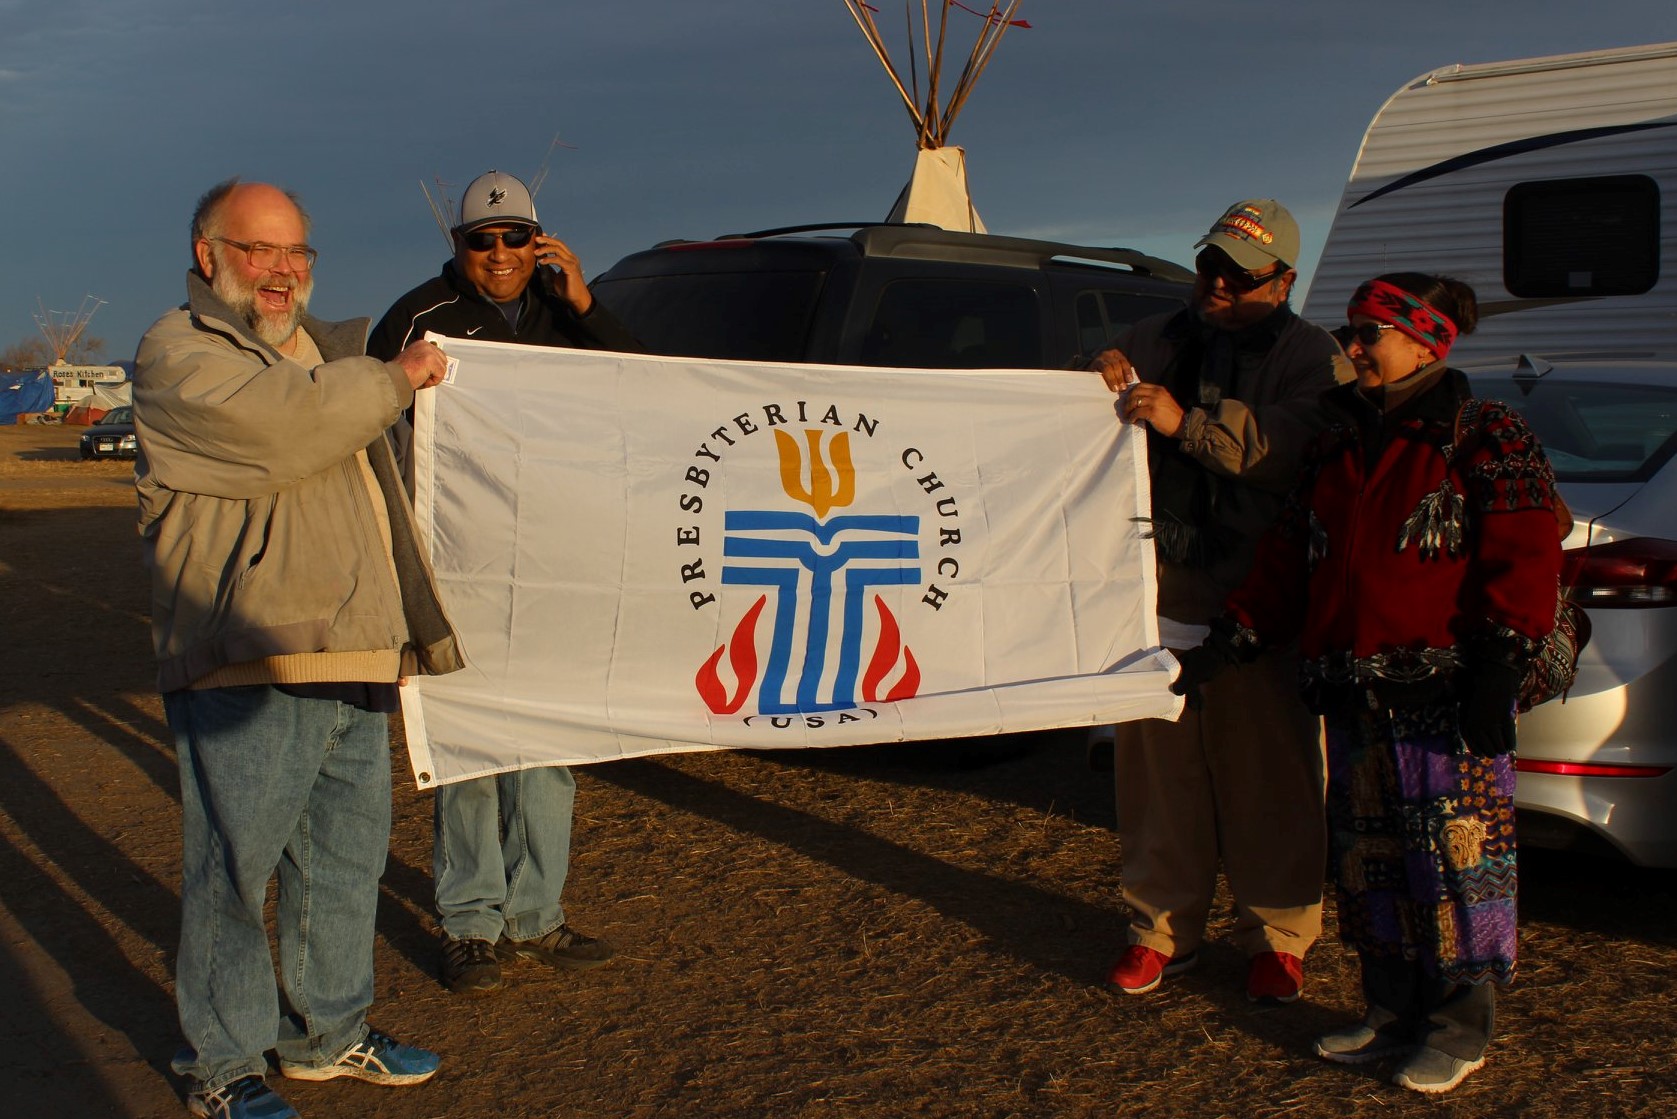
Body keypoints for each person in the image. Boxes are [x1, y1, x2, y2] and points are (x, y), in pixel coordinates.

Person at [1177, 274, 1562, 1093]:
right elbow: (1289, 556)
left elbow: (1526, 551)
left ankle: (1458, 1027)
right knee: (1371, 863)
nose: (1351, 348)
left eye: (1368, 334)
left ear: (1425, 342)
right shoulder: (1335, 439)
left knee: (1453, 866)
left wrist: (1499, 666)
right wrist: (1236, 634)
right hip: (1351, 690)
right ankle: (1390, 1013)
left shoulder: (1482, 432)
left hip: (1446, 695)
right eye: (1350, 332)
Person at [133, 180, 464, 1119]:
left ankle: (327, 1035)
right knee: (233, 868)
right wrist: (394, 377)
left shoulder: (325, 351)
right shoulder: (178, 351)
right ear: (208, 254)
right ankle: (223, 1063)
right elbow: (285, 428)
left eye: (296, 255)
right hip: (247, 651)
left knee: (342, 859)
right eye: (258, 250)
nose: (280, 272)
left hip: (355, 645)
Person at [368, 170, 640, 996]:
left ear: (538, 239)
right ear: (457, 246)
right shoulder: (420, 317)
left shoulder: (566, 314)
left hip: (555, 558)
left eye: (514, 237)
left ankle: (537, 914)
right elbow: (369, 420)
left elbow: (645, 388)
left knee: (548, 740)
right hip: (458, 562)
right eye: (480, 241)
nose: (498, 255)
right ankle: (472, 924)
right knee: (471, 741)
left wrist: (588, 305)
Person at [1087, 200, 1351, 1003]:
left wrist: (1183, 419)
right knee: (1157, 775)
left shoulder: (1315, 356)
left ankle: (1277, 934)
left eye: (1237, 274)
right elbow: (1072, 398)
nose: (1216, 284)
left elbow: (1292, 445)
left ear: (1282, 281)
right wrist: (1090, 367)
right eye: (1209, 265)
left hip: (1258, 602)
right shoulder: (1157, 337)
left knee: (1269, 775)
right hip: (1154, 590)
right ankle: (1159, 929)